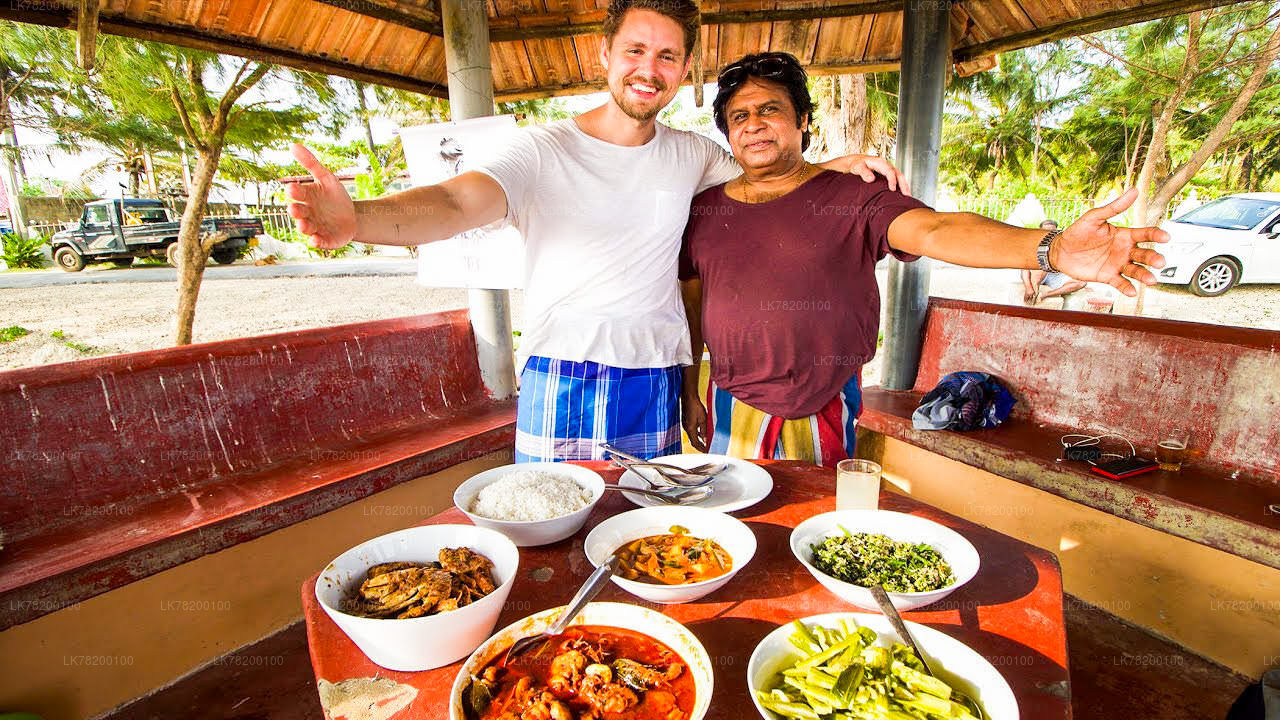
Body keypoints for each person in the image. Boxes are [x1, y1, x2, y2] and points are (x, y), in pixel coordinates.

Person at [284, 1, 905, 463]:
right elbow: (453, 200)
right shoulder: (540, 150)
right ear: (603, 54)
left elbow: (768, 175)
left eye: (666, 56)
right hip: (564, 373)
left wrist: (836, 166)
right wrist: (358, 218)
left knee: (646, 538)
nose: (648, 68)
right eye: (634, 50)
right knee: (555, 528)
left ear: (683, 69)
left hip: (657, 376)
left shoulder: (693, 155)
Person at [678, 52, 1168, 466]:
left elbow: (935, 229)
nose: (755, 125)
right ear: (727, 131)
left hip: (820, 402)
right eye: (740, 117)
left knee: (816, 529)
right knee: (735, 528)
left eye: (770, 110)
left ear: (803, 120)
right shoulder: (704, 209)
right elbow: (694, 301)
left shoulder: (852, 196)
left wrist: (1051, 250)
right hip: (730, 403)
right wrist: (689, 392)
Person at [1021, 219, 1088, 304]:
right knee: (1043, 265)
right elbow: (1024, 268)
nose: (1048, 234)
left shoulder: (1061, 244)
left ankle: (1046, 294)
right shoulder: (1032, 244)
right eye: (1045, 231)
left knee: (1081, 282)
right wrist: (1028, 287)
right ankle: (1032, 300)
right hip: (1036, 274)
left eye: (1051, 232)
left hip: (1054, 276)